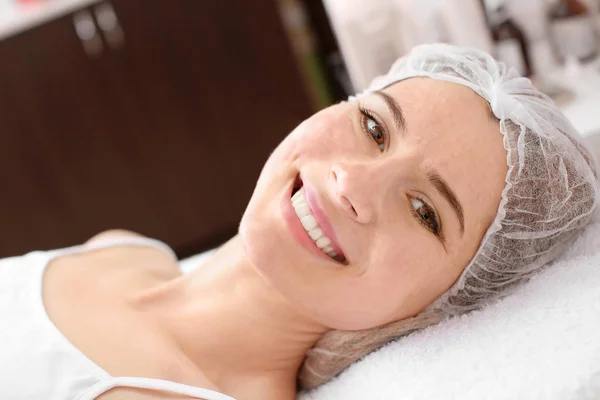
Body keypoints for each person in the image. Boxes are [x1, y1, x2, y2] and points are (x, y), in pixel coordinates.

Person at [1, 44, 597, 400]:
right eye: (374, 127)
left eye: (425, 213)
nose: (353, 186)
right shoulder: (123, 249)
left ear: (444, 302)